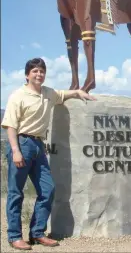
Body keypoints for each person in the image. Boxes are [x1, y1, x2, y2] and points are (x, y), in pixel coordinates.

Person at [1, 58, 96, 250]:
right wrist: (16, 151)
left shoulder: (48, 93)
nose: (39, 74)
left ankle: (37, 233)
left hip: (38, 146)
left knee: (48, 189)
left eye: (42, 71)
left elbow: (62, 94)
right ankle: (14, 236)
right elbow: (10, 125)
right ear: (27, 75)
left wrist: (77, 92)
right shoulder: (18, 95)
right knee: (15, 193)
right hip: (22, 143)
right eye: (35, 71)